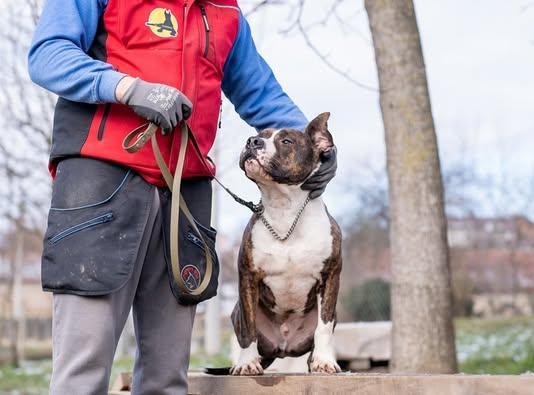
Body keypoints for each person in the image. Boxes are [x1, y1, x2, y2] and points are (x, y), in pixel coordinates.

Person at [28, 1, 337, 393]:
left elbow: (260, 93)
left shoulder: (225, 11)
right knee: (83, 368)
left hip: (185, 192)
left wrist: (315, 148)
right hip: (101, 183)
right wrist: (128, 88)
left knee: (167, 374)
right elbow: (48, 54)